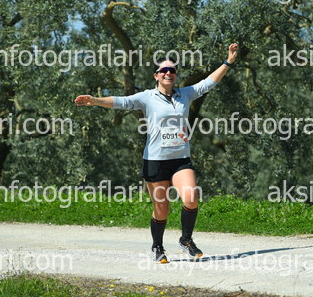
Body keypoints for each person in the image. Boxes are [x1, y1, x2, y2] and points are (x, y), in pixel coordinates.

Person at [74, 43, 239, 263]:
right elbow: (123, 102)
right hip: (155, 161)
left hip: (180, 159)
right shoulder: (147, 97)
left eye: (172, 70)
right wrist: (95, 101)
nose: (168, 73)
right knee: (162, 210)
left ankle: (186, 240)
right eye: (164, 70)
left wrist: (228, 61)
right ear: (156, 75)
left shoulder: (185, 94)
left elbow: (208, 83)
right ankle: (157, 247)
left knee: (191, 197)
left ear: (176, 75)